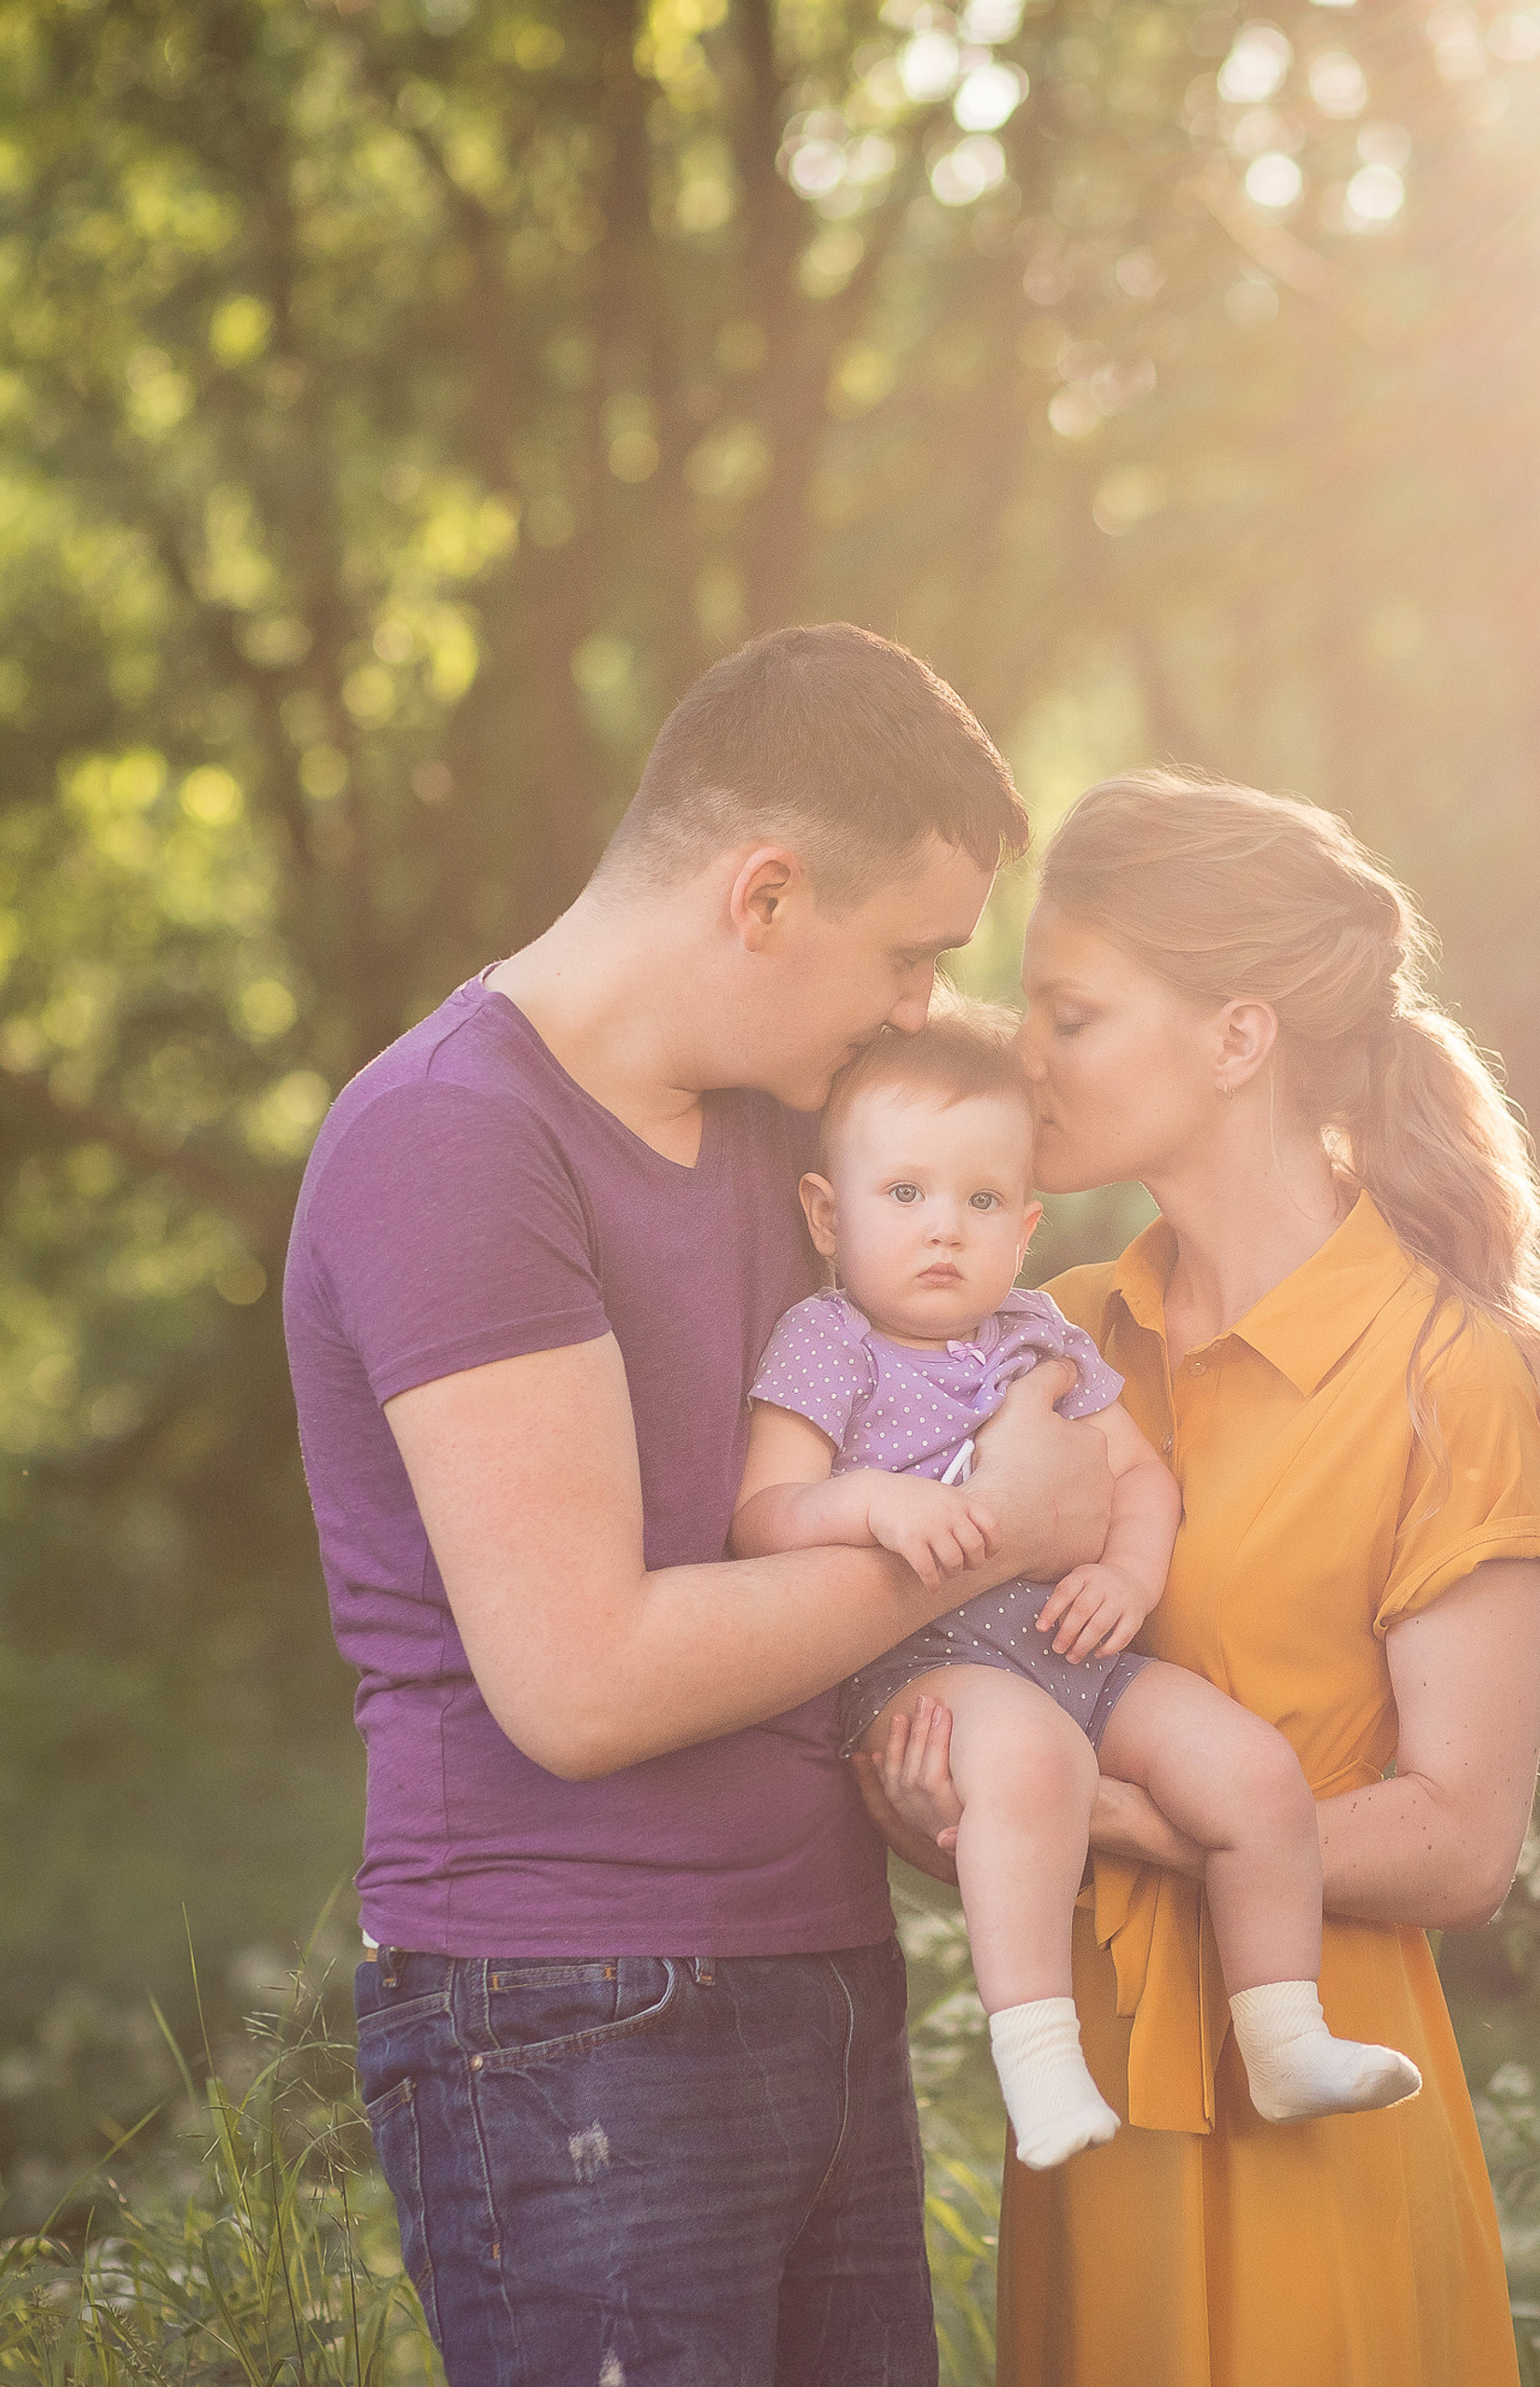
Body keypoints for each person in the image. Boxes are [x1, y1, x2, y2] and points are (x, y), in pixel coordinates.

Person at [282, 624, 1118, 2387]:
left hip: (816, 1974)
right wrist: (1010, 1528)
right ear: (762, 897)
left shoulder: (789, 1137)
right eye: (907, 955)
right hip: (568, 2020)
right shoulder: (452, 1140)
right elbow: (584, 1681)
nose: (918, 1011)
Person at [861, 771, 1540, 2387]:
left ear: (1237, 1036)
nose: (1026, 1058)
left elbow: (1461, 1835)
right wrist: (922, 1777)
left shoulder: (1442, 1368)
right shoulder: (1045, 1338)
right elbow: (952, 1710)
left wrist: (1113, 1821)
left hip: (1318, 2111)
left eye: (1073, 1015)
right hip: (1097, 2125)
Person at [730, 1004, 1423, 2170]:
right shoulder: (826, 1341)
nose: (944, 1229)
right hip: (924, 1670)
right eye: (903, 1194)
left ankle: (1284, 2032)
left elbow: (1137, 1477)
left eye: (981, 1200)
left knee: (1256, 1770)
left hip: (1072, 1644)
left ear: (1026, 1223)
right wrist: (876, 1504)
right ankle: (1041, 2059)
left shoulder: (1040, 1333)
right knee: (1030, 1762)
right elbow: (763, 1521)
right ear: (824, 1212)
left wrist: (1124, 1570)